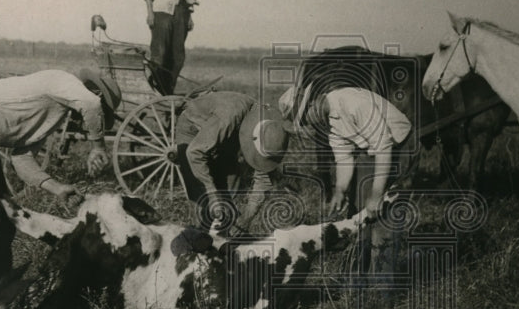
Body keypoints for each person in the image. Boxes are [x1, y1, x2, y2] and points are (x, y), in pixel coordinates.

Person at [0, 68, 121, 309]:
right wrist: (98, 147)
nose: (86, 119)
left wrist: (57, 188)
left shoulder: (54, 106)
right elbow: (90, 103)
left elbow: (21, 159)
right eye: (100, 111)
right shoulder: (63, 80)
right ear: (95, 91)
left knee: (5, 212)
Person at [295, 85, 416, 279]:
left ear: (313, 103)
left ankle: (382, 291)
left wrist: (376, 194)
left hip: (398, 146)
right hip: (370, 149)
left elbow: (384, 145)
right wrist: (340, 190)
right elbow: (344, 157)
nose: (308, 124)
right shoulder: (328, 121)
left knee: (382, 217)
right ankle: (358, 280)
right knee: (358, 213)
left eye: (304, 117)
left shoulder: (352, 104)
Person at [174, 91, 292, 231]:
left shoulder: (271, 129)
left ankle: (224, 232)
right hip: (193, 130)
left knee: (229, 189)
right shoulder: (230, 116)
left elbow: (263, 181)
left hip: (227, 135)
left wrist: (246, 219)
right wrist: (212, 194)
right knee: (202, 197)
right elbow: (194, 152)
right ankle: (200, 234)